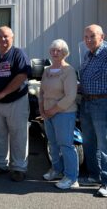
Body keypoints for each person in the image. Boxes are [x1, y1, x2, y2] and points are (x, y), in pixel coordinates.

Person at [0, 26, 31, 182]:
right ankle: (1, 164)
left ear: (12, 37)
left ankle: (19, 168)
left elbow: (22, 76)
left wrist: (3, 93)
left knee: (18, 135)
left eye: (6, 36)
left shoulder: (18, 54)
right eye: (0, 36)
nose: (3, 39)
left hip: (16, 101)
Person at [38, 39, 79, 189]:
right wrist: (42, 110)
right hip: (48, 114)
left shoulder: (69, 71)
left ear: (65, 53)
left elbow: (70, 96)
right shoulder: (47, 70)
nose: (55, 53)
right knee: (52, 143)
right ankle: (56, 170)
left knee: (65, 144)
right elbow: (41, 92)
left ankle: (72, 177)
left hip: (64, 113)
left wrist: (52, 110)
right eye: (53, 50)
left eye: (59, 50)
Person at [78, 24, 107, 197]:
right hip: (87, 103)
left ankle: (106, 182)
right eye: (86, 37)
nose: (88, 40)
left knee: (104, 145)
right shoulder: (88, 55)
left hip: (102, 103)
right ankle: (94, 175)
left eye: (92, 36)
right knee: (89, 142)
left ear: (102, 36)